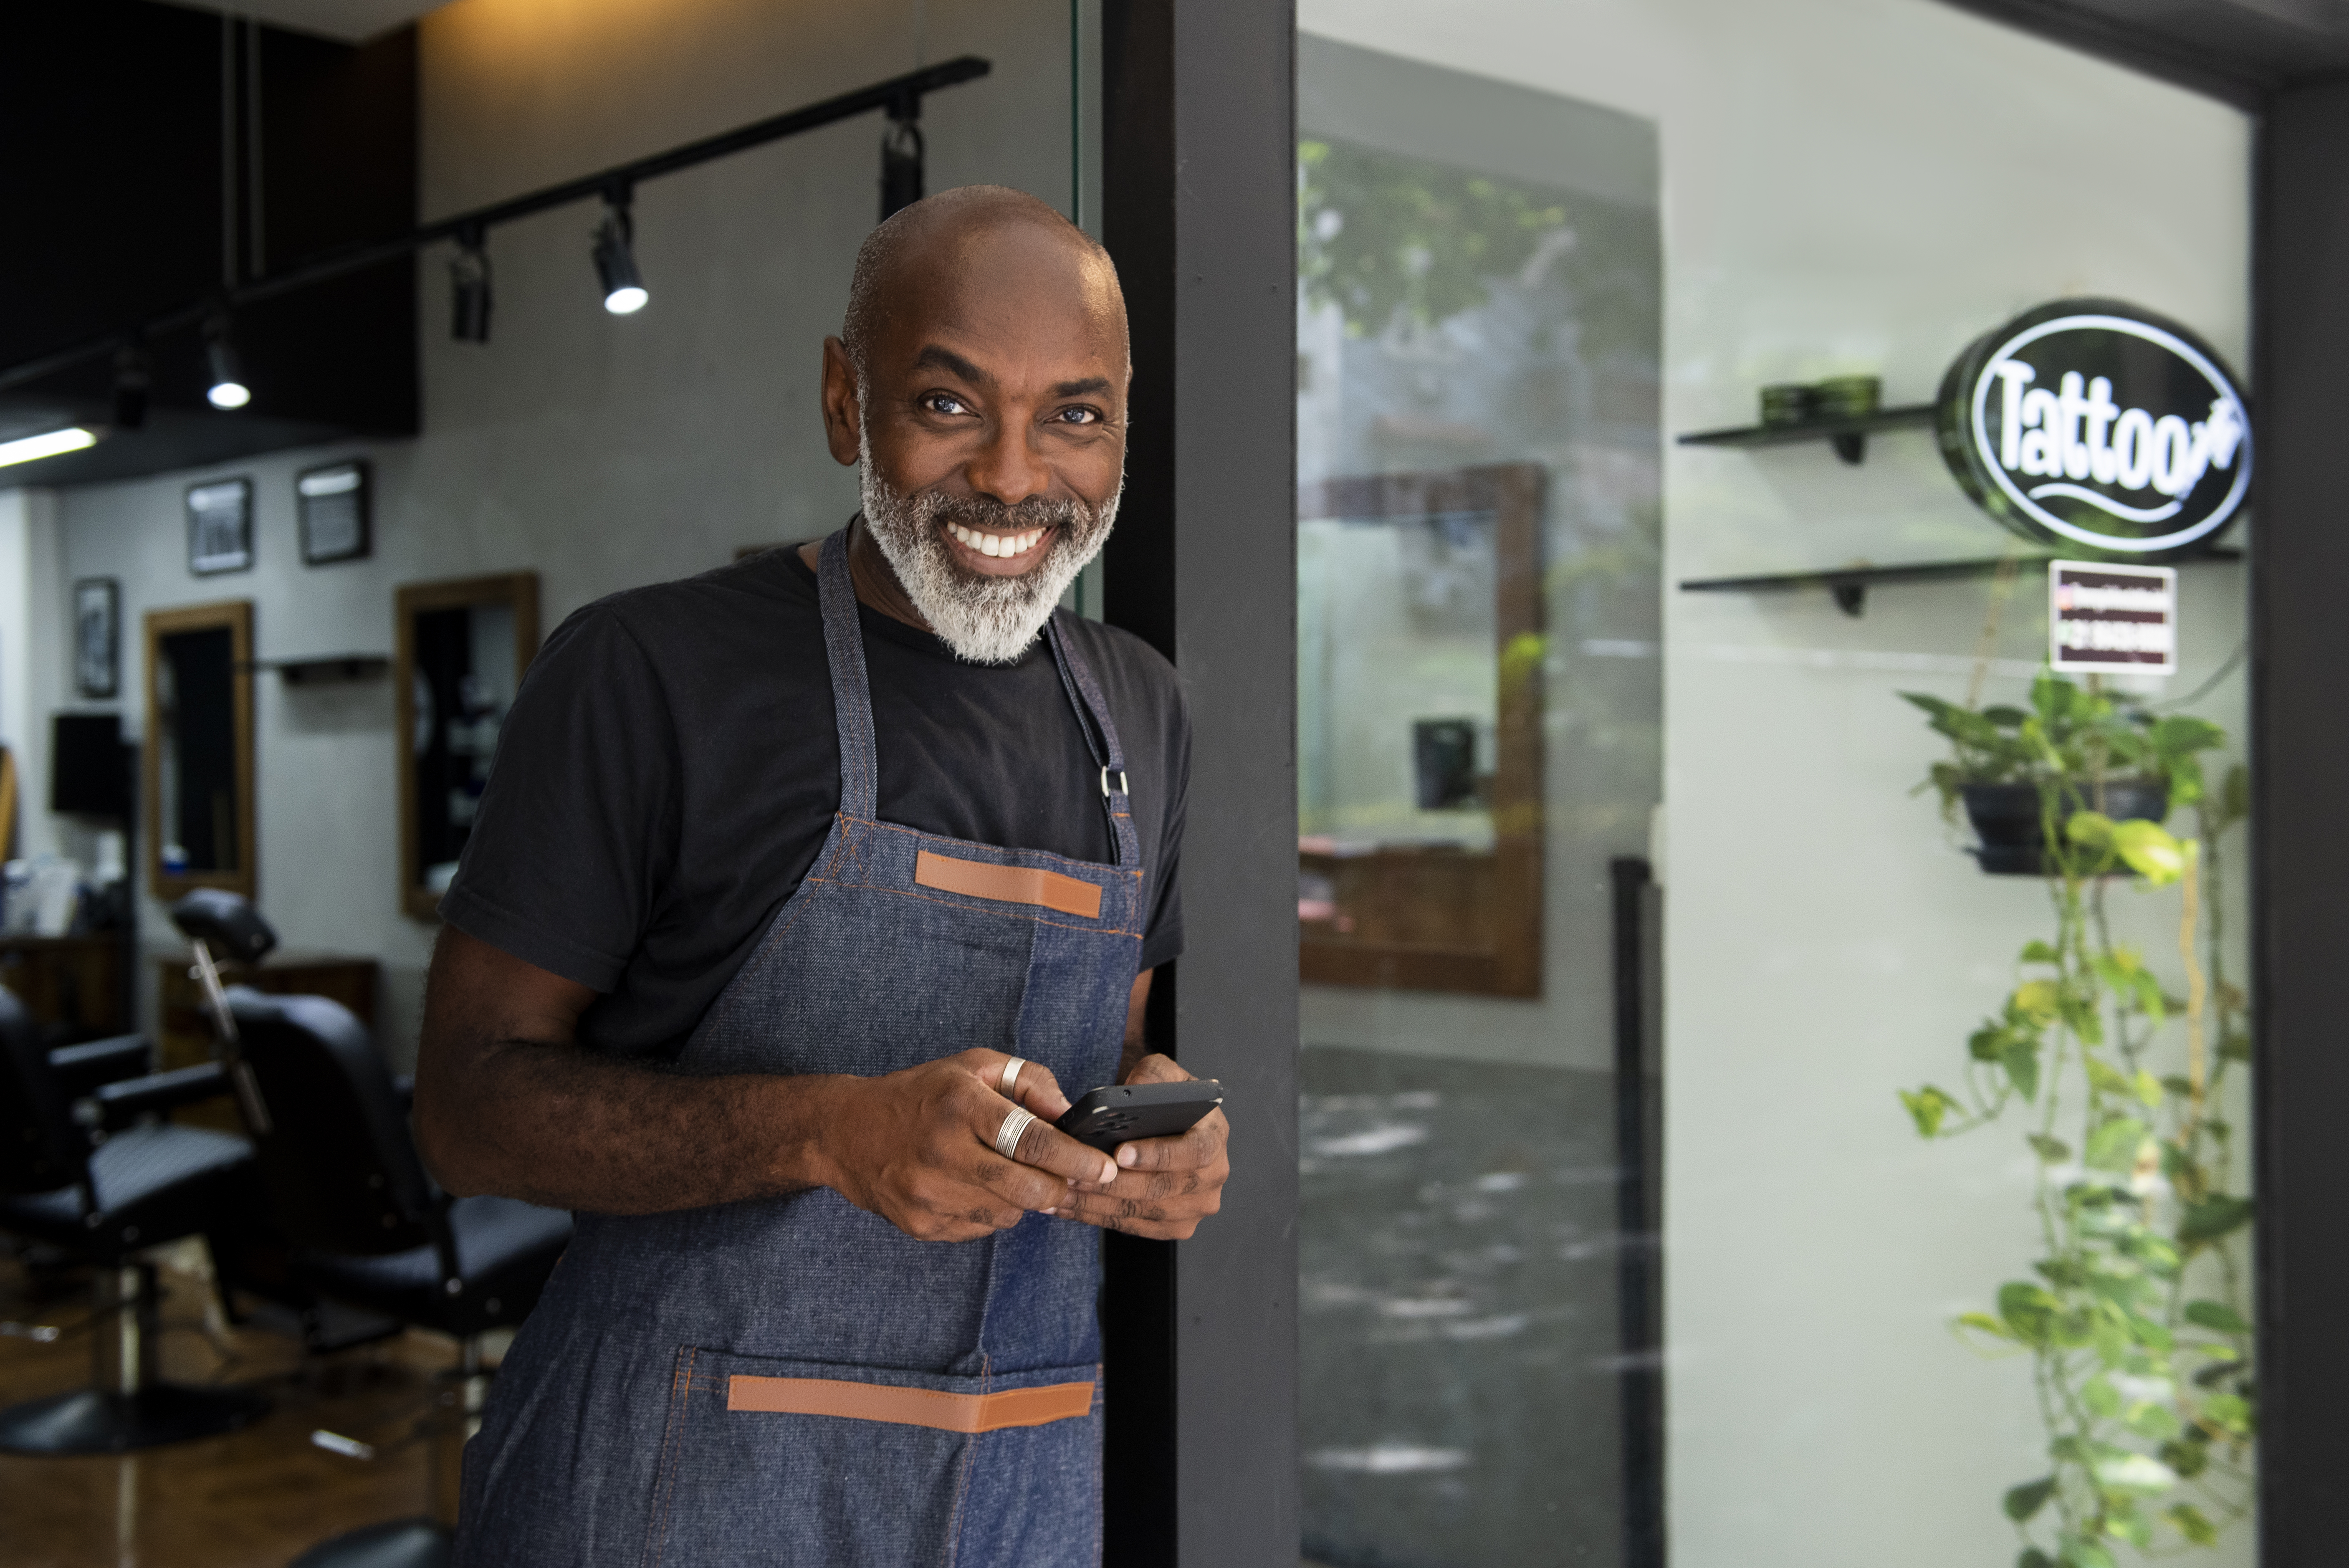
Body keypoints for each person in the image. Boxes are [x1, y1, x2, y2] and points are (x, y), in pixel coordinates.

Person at [414, 184, 1228, 1567]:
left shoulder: (1137, 711)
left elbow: (1127, 1040)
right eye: (952, 404)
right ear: (846, 402)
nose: (1018, 478)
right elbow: (467, 1113)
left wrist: (1160, 1138)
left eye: (1076, 416)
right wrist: (825, 1132)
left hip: (1021, 1491)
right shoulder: (648, 677)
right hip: (671, 1488)